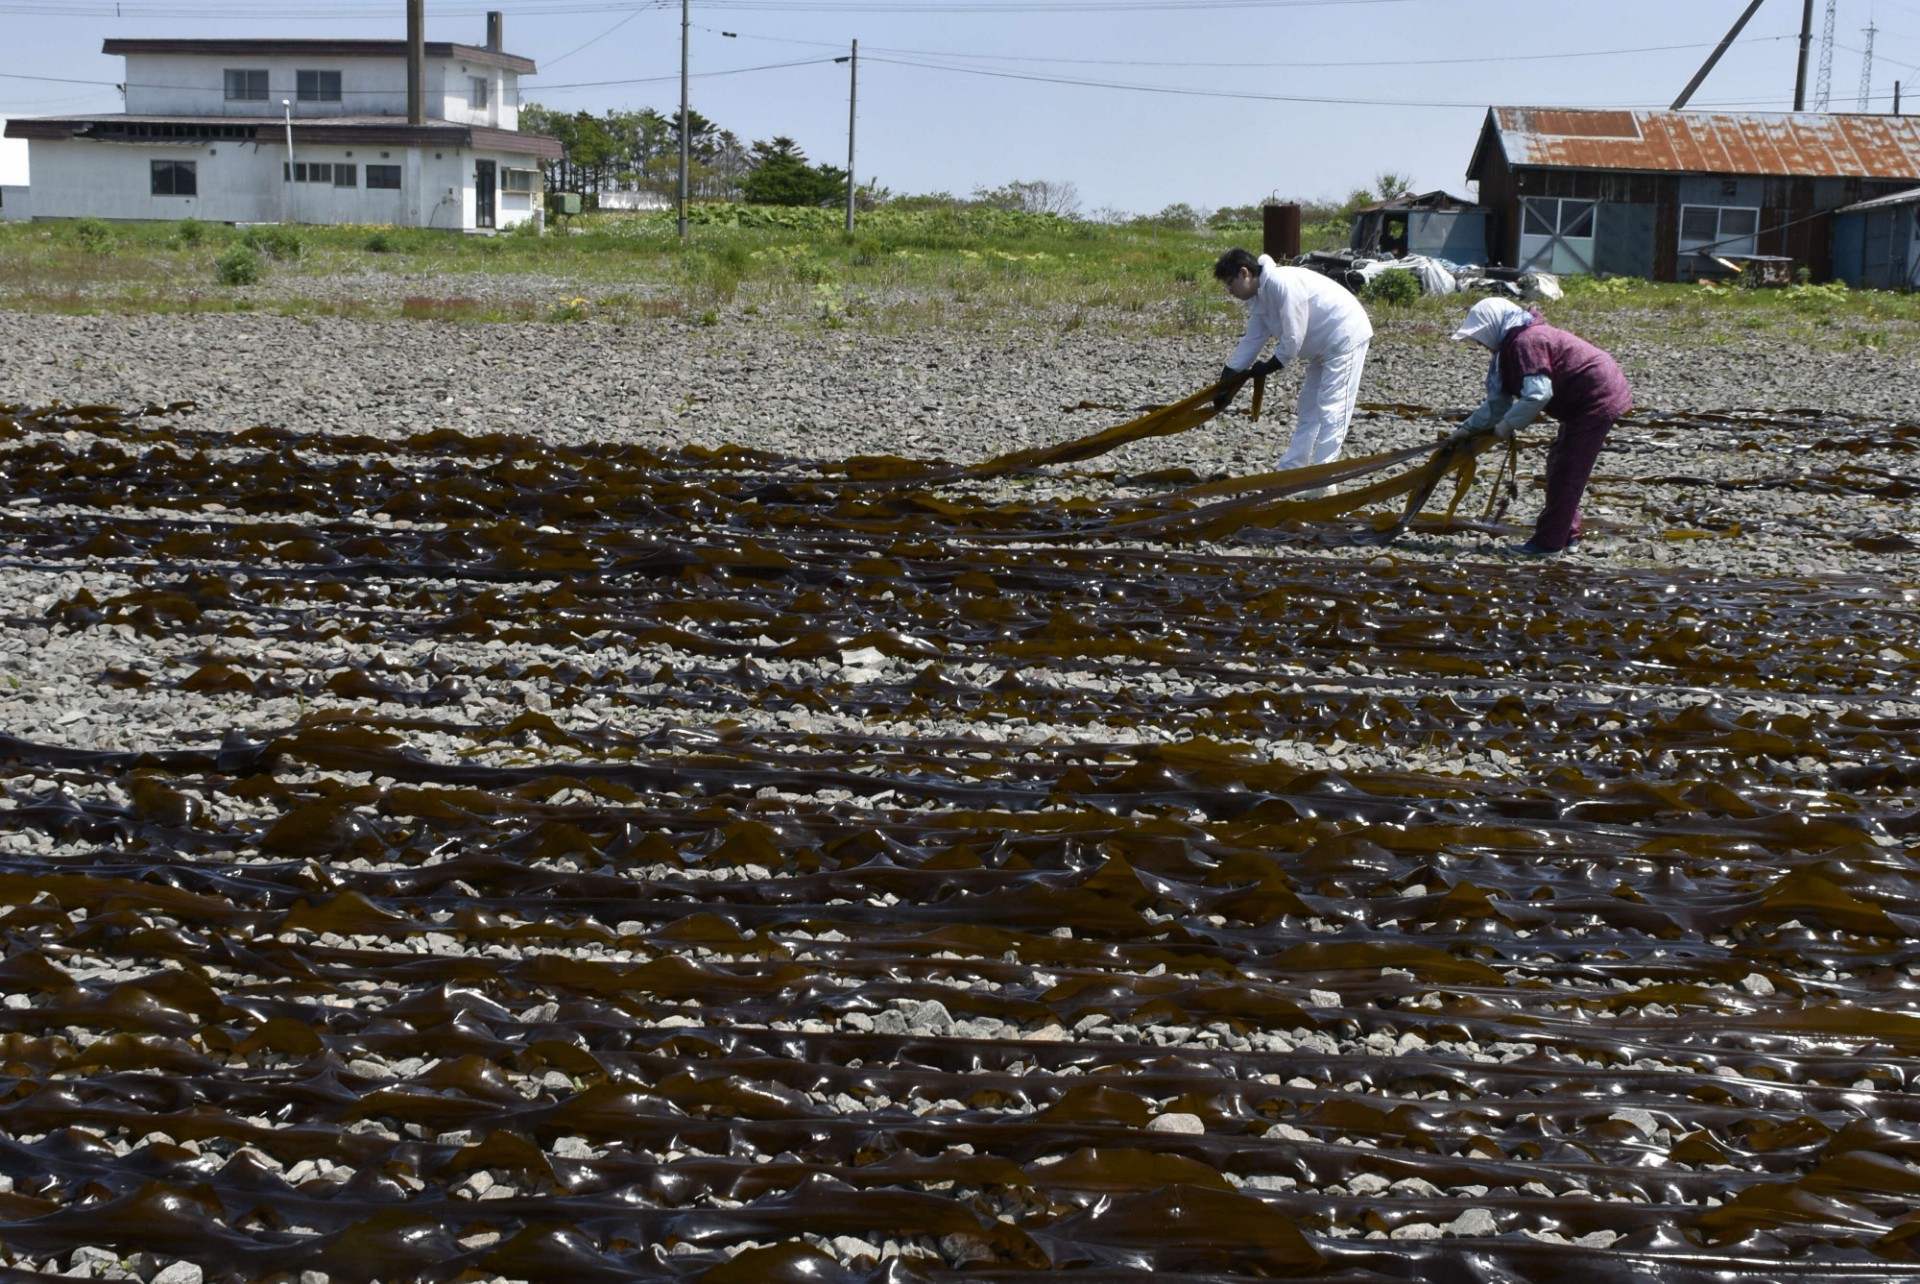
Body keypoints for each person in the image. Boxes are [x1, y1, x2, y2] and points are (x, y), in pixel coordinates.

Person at [1445, 297, 1633, 556]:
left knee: (1568, 468)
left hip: (1597, 397)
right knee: (1559, 463)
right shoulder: (1510, 349)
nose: (1479, 344)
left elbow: (1538, 394)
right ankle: (1567, 534)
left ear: (1493, 327)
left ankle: (1548, 544)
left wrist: (1507, 426)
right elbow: (1497, 404)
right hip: (1581, 401)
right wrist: (1466, 430)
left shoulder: (1526, 342)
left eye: (1480, 337)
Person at [1211, 247, 1374, 474]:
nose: (1229, 291)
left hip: (1344, 336)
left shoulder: (1281, 283)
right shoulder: (1259, 297)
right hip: (1321, 348)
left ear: (1244, 273)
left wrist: (1272, 364)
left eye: (1230, 283)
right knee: (1308, 407)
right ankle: (1292, 470)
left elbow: (1294, 335)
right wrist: (1229, 375)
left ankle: (1324, 478)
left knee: (1333, 407)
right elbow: (1252, 339)